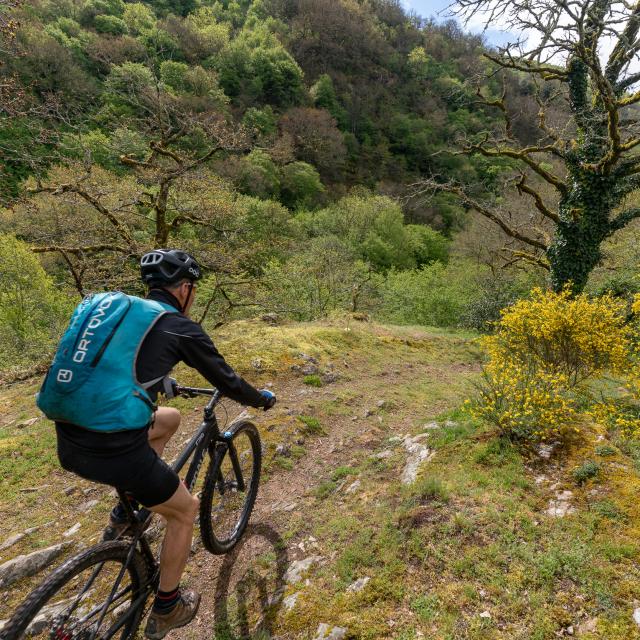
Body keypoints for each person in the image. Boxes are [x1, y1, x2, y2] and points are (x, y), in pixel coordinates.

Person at [53, 249, 276, 640]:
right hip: (114, 448)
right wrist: (260, 399)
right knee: (185, 510)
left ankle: (125, 515)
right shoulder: (178, 325)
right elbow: (226, 379)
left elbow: (113, 367)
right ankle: (168, 607)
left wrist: (157, 381)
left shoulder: (122, 314)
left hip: (70, 439)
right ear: (186, 289)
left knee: (169, 417)